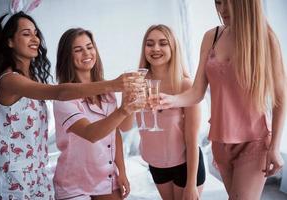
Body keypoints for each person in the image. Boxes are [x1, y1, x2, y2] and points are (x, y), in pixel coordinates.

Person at [0, 12, 142, 200]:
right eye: (26, 33)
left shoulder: (33, 80)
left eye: (36, 33)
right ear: (9, 41)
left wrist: (121, 171)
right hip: (14, 176)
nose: (35, 38)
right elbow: (61, 94)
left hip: (38, 175)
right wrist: (115, 85)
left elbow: (118, 130)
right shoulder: (10, 81)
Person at [159, 0, 286, 199]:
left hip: (255, 141)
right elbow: (197, 92)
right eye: (218, 3)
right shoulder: (212, 37)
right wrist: (169, 100)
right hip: (220, 142)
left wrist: (275, 147)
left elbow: (281, 97)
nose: (223, 10)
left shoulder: (266, 39)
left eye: (230, 3)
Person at [53, 28, 142, 200]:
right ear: (67, 56)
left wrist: (121, 171)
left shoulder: (107, 92)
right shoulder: (63, 98)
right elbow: (91, 134)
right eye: (78, 50)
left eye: (89, 47)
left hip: (105, 178)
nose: (87, 53)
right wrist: (124, 109)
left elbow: (116, 131)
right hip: (74, 184)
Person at [136, 24, 205, 200]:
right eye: (150, 44)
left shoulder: (185, 85)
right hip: (156, 164)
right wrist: (127, 104)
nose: (155, 48)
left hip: (185, 165)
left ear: (173, 47)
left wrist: (191, 184)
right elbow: (126, 126)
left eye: (163, 43)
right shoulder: (137, 83)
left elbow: (192, 139)